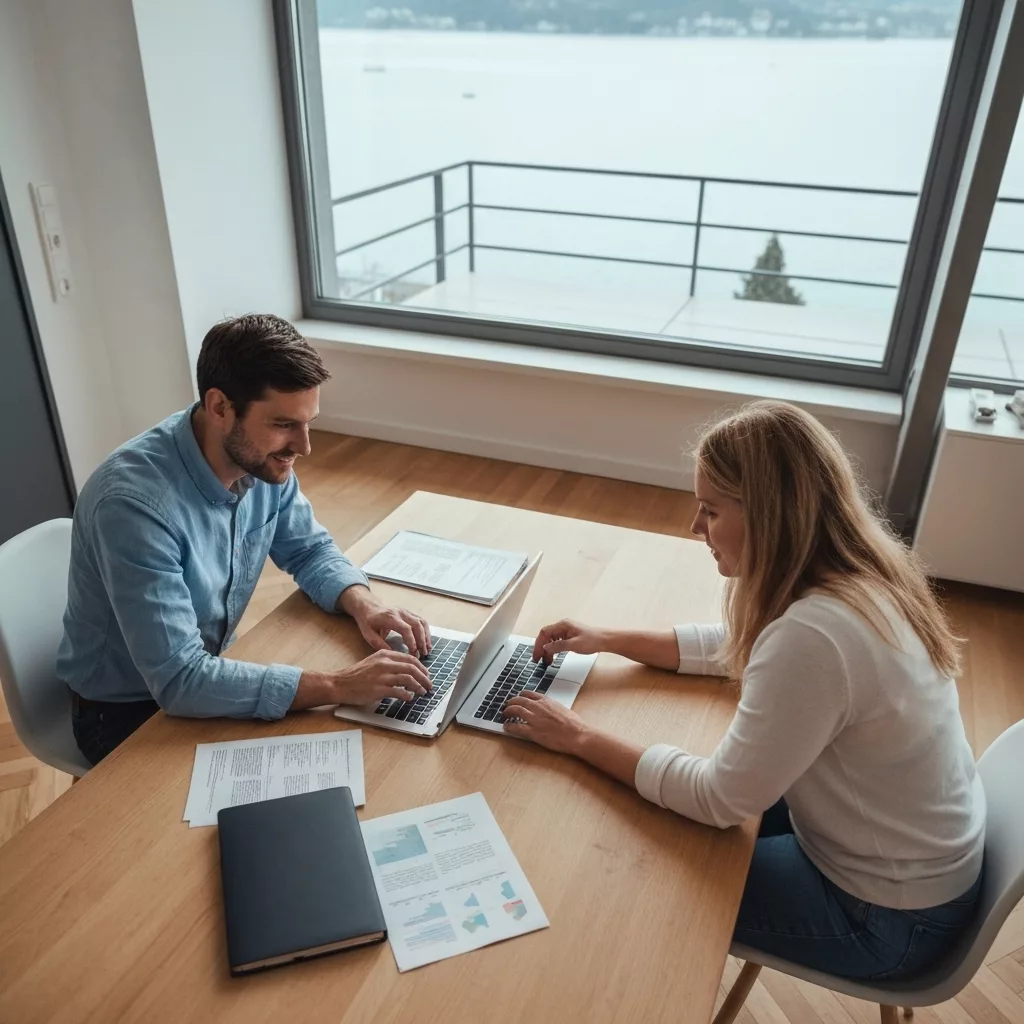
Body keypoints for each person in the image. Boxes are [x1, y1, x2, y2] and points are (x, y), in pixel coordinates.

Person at [501, 400, 985, 981]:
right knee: (652, 806)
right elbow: (743, 644)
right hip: (917, 860)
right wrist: (609, 637)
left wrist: (577, 736)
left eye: (709, 511)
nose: (694, 528)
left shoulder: (815, 637)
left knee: (626, 879)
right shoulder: (862, 572)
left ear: (768, 514)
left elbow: (718, 799)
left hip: (887, 916)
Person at [59, 314, 433, 766]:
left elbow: (309, 549)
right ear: (220, 407)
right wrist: (338, 685)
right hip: (128, 713)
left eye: (308, 422)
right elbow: (180, 681)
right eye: (283, 424)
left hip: (206, 671)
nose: (304, 446)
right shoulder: (134, 506)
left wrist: (363, 604)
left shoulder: (265, 462)